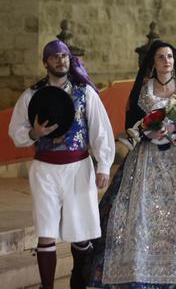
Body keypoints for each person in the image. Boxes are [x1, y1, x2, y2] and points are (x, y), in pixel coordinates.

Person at [91, 40, 176, 288]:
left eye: (170, 57)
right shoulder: (142, 90)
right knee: (141, 212)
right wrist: (150, 130)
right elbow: (132, 123)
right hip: (146, 159)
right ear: (153, 62)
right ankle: (140, 272)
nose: (166, 61)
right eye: (161, 57)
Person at [8, 40, 114, 289]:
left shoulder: (84, 92)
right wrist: (33, 133)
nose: (60, 60)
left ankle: (78, 282)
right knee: (45, 231)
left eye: (64, 56)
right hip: (44, 170)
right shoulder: (32, 95)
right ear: (46, 62)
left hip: (79, 167)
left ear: (70, 60)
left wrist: (103, 166)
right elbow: (15, 132)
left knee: (80, 231)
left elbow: (101, 131)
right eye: (54, 56)